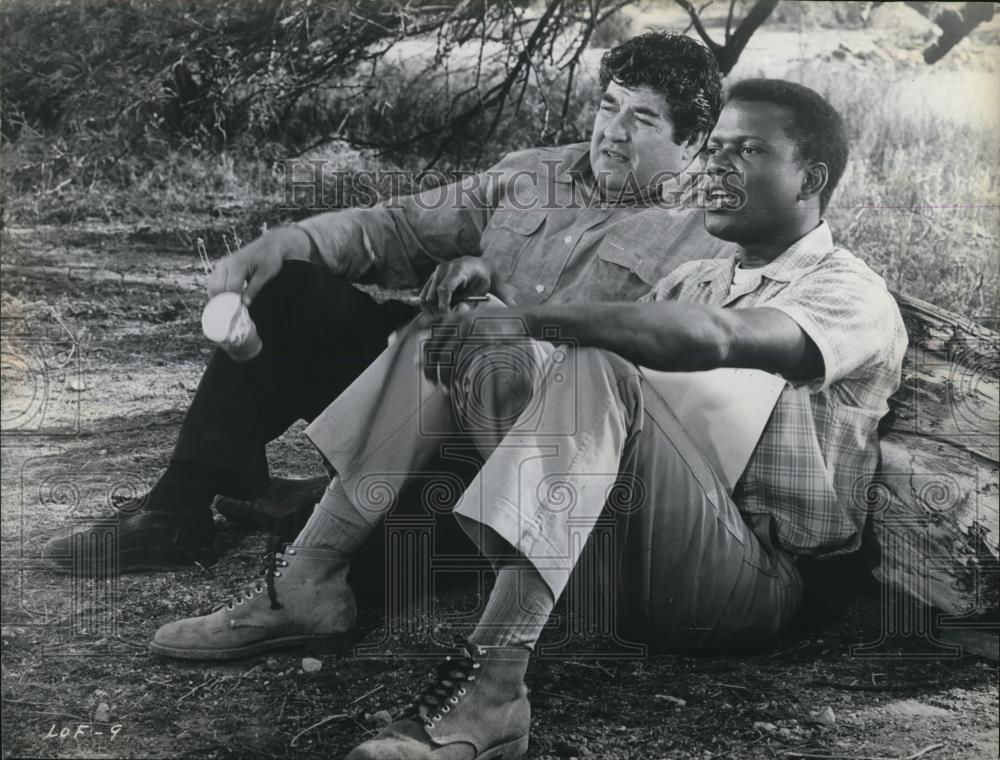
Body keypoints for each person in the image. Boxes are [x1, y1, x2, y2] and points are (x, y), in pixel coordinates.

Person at [150, 80, 907, 760]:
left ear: (810, 179)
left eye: (749, 151)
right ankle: (310, 580)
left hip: (745, 584)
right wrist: (488, 318)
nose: (717, 166)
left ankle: (493, 689)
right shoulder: (697, 275)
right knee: (448, 325)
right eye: (717, 149)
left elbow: (719, 340)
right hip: (615, 553)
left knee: (584, 354)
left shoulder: (849, 291)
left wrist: (528, 320)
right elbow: (589, 383)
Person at [42, 31, 730, 575]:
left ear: (694, 142)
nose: (612, 131)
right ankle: (179, 509)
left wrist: (505, 311)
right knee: (294, 286)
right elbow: (397, 228)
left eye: (642, 120)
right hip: (417, 384)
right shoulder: (533, 172)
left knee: (371, 565)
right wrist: (286, 241)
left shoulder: (706, 237)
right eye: (609, 106)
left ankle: (302, 503)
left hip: (521, 446)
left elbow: (661, 381)